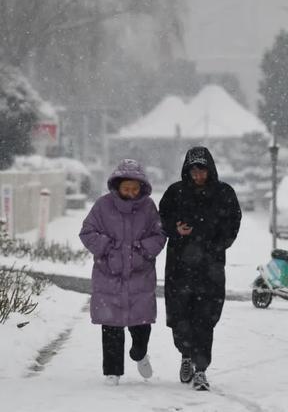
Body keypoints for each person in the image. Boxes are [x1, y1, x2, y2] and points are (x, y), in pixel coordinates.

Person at [159, 146, 241, 391]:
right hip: (179, 268)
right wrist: (176, 229)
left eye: (202, 169)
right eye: (193, 170)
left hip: (210, 269)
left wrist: (215, 245)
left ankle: (201, 370)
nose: (198, 175)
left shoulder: (224, 193)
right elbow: (161, 220)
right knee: (180, 317)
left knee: (205, 319)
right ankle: (186, 355)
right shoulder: (175, 192)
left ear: (210, 168)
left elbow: (233, 222)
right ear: (187, 169)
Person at [79, 159, 166, 386]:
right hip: (108, 275)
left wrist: (141, 251)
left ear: (141, 188)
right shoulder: (102, 206)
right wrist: (108, 248)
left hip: (140, 276)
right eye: (126, 188)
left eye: (134, 189)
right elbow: (87, 233)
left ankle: (139, 354)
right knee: (111, 326)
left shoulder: (148, 208)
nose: (130, 193)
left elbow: (159, 235)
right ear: (117, 186)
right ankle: (112, 371)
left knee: (141, 324)